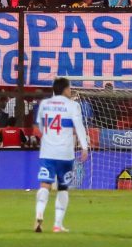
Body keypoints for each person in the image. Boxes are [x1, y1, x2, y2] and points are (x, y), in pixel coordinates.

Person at [34, 77, 90, 233]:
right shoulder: (73, 105)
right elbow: (79, 127)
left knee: (45, 185)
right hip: (65, 153)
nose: (70, 90)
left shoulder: (44, 104)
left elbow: (40, 126)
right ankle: (57, 225)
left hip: (47, 152)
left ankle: (39, 214)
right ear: (65, 89)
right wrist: (84, 147)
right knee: (63, 188)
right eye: (70, 88)